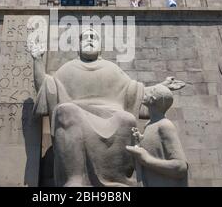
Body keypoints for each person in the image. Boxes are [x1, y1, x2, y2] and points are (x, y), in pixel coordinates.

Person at [29, 28, 145, 187]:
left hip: (111, 116)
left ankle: (117, 179)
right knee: (66, 111)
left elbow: (134, 91)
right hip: (76, 119)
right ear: (78, 46)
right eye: (85, 37)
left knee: (126, 119)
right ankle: (74, 179)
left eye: (94, 37)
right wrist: (37, 60)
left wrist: (161, 90)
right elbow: (47, 88)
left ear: (101, 47)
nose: (90, 39)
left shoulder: (112, 69)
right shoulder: (68, 69)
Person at [126, 77, 188, 187]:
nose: (146, 91)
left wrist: (146, 159)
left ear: (153, 99)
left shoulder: (165, 125)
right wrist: (139, 142)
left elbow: (180, 167)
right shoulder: (149, 125)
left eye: (151, 91)